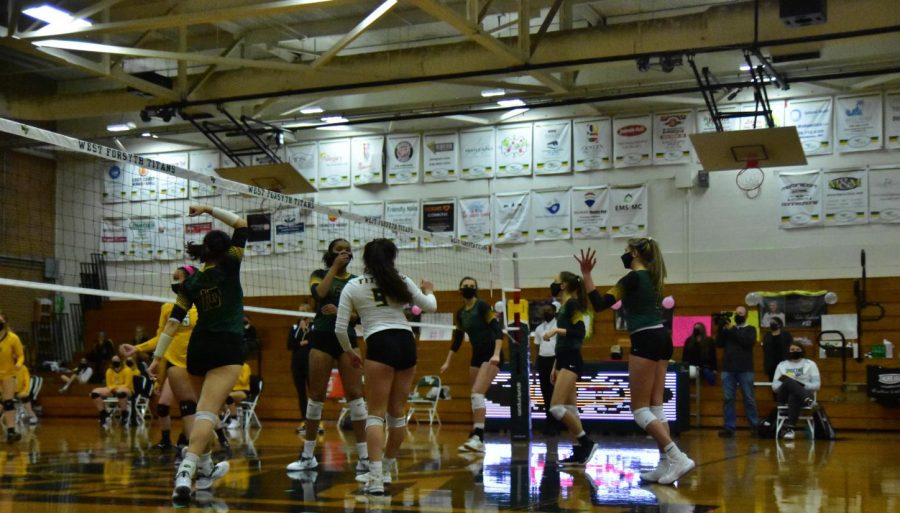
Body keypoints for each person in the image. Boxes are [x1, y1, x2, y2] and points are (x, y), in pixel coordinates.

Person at [147, 204, 248, 500]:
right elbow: (242, 225)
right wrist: (208, 209)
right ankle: (186, 469)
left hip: (199, 348)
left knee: (205, 408)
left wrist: (156, 358)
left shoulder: (189, 283)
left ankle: (205, 466)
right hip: (227, 345)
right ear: (225, 249)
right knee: (206, 411)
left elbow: (172, 324)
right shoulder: (231, 265)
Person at [577, 240, 694, 485]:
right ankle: (665, 463)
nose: (625, 255)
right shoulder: (654, 276)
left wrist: (586, 274)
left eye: (628, 251)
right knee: (656, 406)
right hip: (663, 337)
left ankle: (677, 456)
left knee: (639, 409)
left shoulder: (631, 278)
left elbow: (599, 304)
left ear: (636, 253)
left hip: (645, 338)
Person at [335, 238, 437, 495]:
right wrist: (429, 289)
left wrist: (350, 352)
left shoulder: (353, 285)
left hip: (380, 343)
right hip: (405, 342)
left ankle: (377, 479)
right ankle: (387, 469)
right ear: (392, 258)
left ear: (365, 260)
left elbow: (340, 328)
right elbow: (430, 306)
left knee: (375, 413)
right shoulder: (401, 279)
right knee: (397, 413)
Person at [286, 238, 369, 474]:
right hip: (322, 337)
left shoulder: (356, 281)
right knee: (316, 396)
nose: (344, 253)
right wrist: (334, 267)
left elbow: (361, 315)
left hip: (348, 339)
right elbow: (319, 293)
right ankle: (308, 455)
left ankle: (364, 457)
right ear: (330, 254)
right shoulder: (318, 273)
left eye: (348, 251)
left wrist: (343, 312)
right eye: (339, 251)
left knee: (355, 395)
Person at [121, 265, 203, 451]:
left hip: (196, 362)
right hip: (174, 363)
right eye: (173, 277)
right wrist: (137, 348)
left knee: (194, 406)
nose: (174, 281)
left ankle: (194, 442)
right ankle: (172, 442)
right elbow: (162, 336)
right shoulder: (168, 308)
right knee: (169, 405)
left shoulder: (203, 307)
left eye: (178, 277)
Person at [439, 277, 504, 453]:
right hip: (476, 355)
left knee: (477, 394)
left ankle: (479, 438)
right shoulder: (460, 313)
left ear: (476, 289)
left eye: (472, 286)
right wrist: (447, 361)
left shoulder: (482, 306)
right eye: (465, 286)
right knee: (474, 395)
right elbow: (458, 339)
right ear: (460, 290)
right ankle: (476, 433)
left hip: (491, 354)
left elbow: (497, 330)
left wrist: (497, 354)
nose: (469, 288)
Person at [544, 271, 598, 465]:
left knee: (556, 408)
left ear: (564, 285)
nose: (553, 284)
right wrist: (554, 366)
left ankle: (586, 443)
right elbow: (562, 344)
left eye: (555, 282)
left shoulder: (573, 304)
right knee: (569, 408)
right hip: (563, 360)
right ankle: (578, 452)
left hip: (572, 360)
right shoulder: (564, 307)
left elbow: (579, 332)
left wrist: (556, 330)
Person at [716, 305, 759, 437]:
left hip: (745, 369)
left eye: (741, 313)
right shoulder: (729, 330)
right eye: (737, 312)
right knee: (728, 399)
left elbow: (746, 342)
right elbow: (719, 343)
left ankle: (755, 427)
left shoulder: (750, 329)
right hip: (728, 369)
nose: (738, 314)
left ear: (746, 315)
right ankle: (729, 427)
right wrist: (720, 328)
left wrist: (732, 330)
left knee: (749, 398)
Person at [772, 342, 821, 440]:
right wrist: (789, 383)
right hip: (784, 394)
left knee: (794, 396)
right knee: (789, 380)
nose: (795, 352)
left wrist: (801, 386)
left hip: (802, 394)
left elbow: (817, 385)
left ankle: (790, 430)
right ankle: (809, 402)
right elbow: (775, 386)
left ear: (802, 351)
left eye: (798, 350)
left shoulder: (810, 364)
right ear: (788, 351)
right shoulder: (782, 365)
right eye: (792, 350)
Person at [533, 303, 560, 435]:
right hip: (543, 360)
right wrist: (536, 362)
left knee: (555, 391)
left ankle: (556, 424)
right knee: (545, 392)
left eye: (549, 310)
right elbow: (537, 346)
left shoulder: (558, 326)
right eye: (544, 311)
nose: (546, 312)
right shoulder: (538, 328)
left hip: (555, 359)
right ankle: (549, 422)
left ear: (554, 311)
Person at [287, 304, 313, 434]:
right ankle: (304, 421)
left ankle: (316, 422)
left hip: (311, 363)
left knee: (314, 394)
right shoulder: (294, 327)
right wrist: (300, 343)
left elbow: (315, 342)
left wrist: (306, 331)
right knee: (301, 394)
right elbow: (289, 345)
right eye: (299, 311)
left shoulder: (314, 326)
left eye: (303, 311)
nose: (300, 313)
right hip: (297, 364)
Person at [0, 312, 25, 442]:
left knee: (8, 402)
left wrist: (19, 364)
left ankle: (11, 431)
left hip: (8, 373)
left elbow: (20, 355)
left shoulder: (13, 338)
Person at [90, 356, 134, 428]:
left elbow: (127, 384)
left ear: (121, 361)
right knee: (94, 392)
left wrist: (115, 388)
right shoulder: (109, 371)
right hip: (112, 389)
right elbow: (108, 385)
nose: (115, 362)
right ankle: (103, 413)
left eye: (117, 360)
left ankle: (124, 413)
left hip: (127, 389)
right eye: (114, 361)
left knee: (121, 391)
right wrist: (114, 389)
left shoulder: (127, 370)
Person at [763, 317, 793, 382]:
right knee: (773, 385)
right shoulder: (767, 336)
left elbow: (791, 348)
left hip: (784, 364)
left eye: (773, 322)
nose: (771, 324)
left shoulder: (786, 335)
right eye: (771, 322)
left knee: (786, 385)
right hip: (771, 366)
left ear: (779, 324)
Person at [224, 363, 251, 429]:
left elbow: (244, 381)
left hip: (243, 390)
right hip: (232, 390)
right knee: (221, 397)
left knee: (228, 396)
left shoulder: (245, 366)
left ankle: (234, 419)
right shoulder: (230, 366)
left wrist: (235, 375)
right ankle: (223, 419)